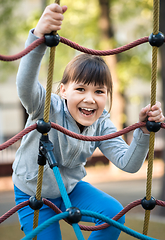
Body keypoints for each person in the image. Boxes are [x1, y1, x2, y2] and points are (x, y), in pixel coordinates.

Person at [12, 3, 164, 240]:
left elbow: (128, 164)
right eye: (80, 89)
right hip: (34, 193)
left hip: (70, 191)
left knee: (114, 214)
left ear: (107, 96)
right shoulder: (48, 108)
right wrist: (38, 36)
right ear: (63, 90)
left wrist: (143, 131)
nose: (90, 99)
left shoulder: (102, 123)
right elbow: (24, 86)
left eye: (99, 92)